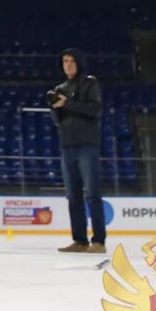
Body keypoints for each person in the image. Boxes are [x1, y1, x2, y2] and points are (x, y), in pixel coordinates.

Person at [50, 48, 105, 253]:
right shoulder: (60, 87)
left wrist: (68, 103)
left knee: (92, 193)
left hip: (86, 144)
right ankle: (80, 240)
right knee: (73, 196)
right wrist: (54, 107)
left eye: (71, 61)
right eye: (65, 61)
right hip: (68, 145)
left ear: (79, 62)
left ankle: (98, 240)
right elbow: (58, 120)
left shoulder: (90, 83)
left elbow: (95, 109)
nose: (68, 65)